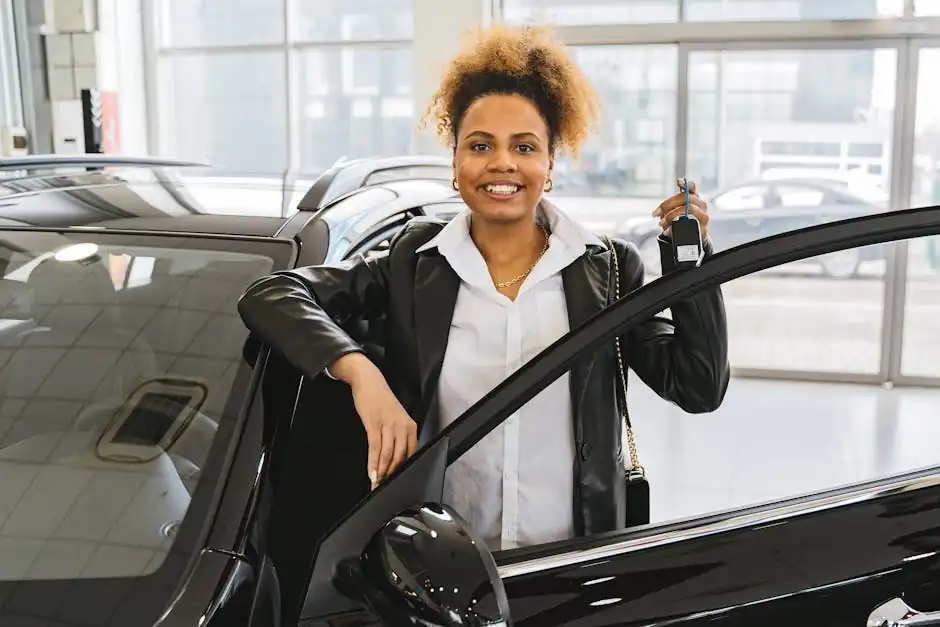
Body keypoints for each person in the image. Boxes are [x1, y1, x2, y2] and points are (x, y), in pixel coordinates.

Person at [237, 23, 730, 550]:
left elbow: (698, 387)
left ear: (549, 164)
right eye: (480, 145)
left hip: (568, 565)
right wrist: (363, 377)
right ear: (455, 163)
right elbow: (273, 295)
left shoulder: (607, 270)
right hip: (440, 566)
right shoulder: (413, 263)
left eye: (523, 146)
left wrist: (690, 261)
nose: (502, 163)